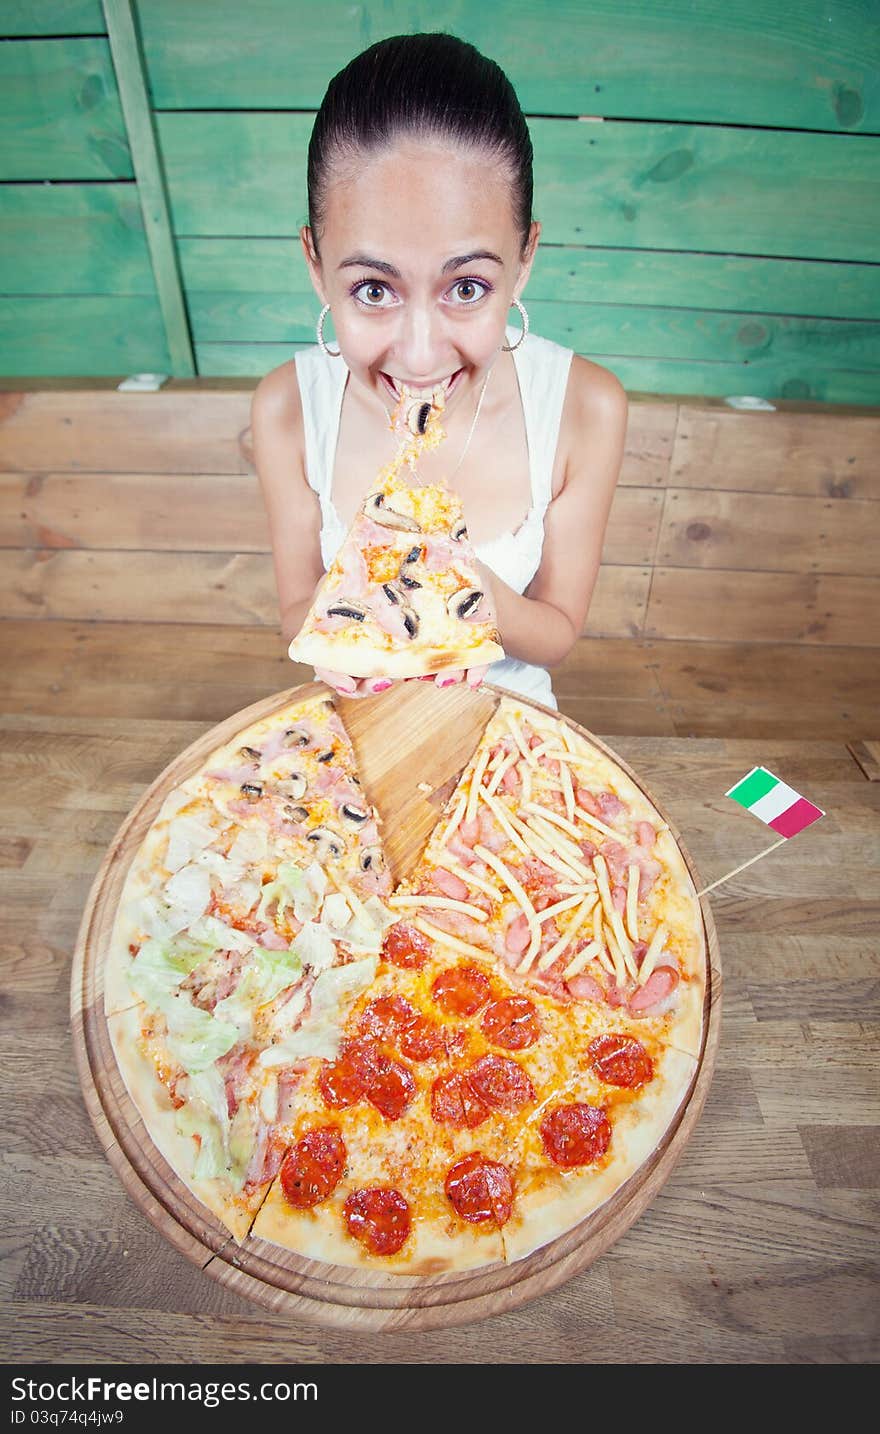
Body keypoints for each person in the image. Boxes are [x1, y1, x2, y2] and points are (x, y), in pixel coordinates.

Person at [251, 32, 628, 709]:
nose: (421, 356)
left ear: (526, 258)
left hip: (514, 736)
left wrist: (451, 582)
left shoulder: (587, 406)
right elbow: (294, 617)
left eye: (467, 288)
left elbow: (558, 632)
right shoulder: (285, 408)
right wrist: (344, 636)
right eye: (373, 289)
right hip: (351, 733)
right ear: (315, 266)